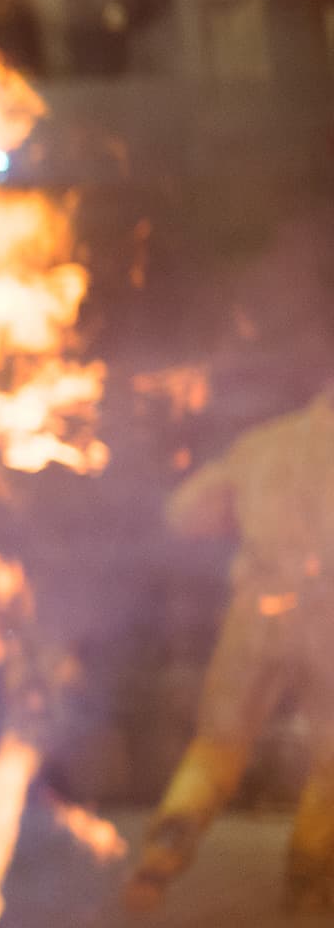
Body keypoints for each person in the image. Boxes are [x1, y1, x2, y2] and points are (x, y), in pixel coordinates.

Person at [125, 383, 334, 915]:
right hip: (326, 620)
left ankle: (162, 857)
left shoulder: (260, 444)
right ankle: (311, 880)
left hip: (255, 611)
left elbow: (185, 513)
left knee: (218, 745)